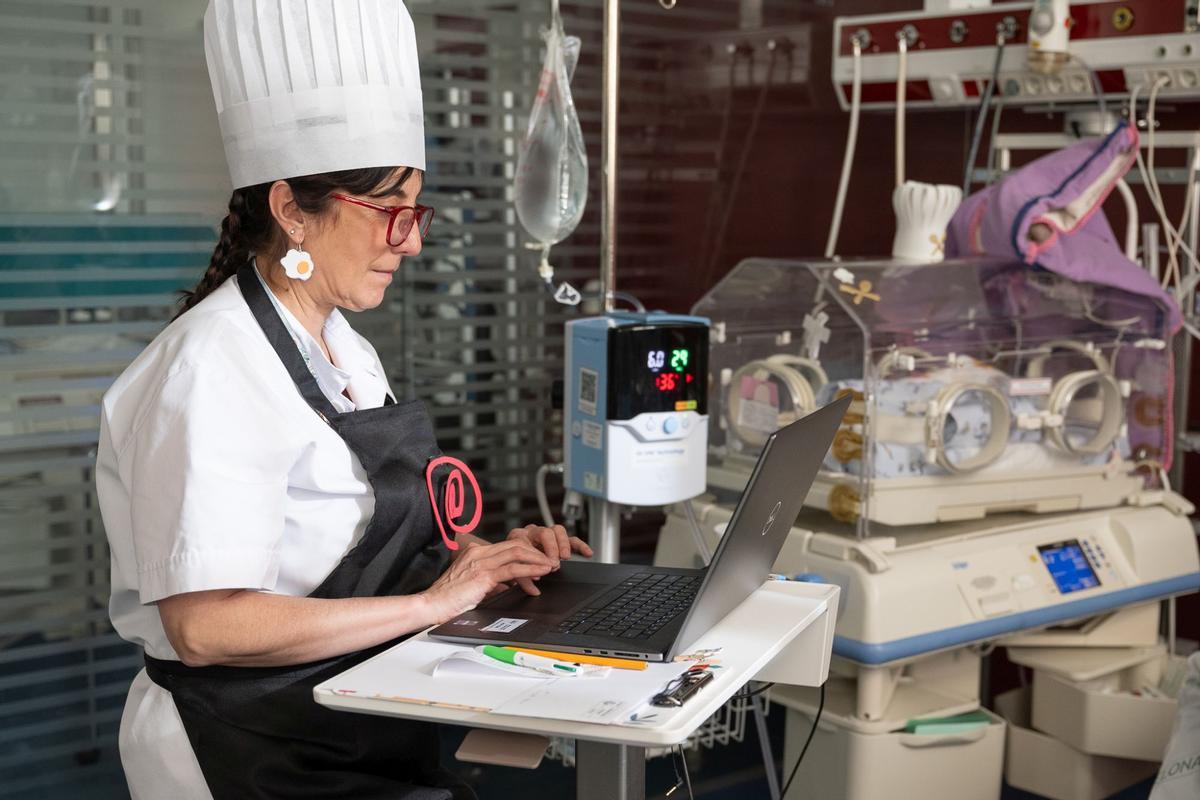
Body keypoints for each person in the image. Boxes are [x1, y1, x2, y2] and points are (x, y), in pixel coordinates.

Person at [95, 1, 592, 797]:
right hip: (243, 742)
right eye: (391, 212)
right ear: (293, 210)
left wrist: (480, 563)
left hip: (347, 718)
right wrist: (434, 603)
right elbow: (206, 627)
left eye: (416, 210)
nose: (414, 241)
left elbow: (343, 549)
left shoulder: (343, 347)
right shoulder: (209, 367)